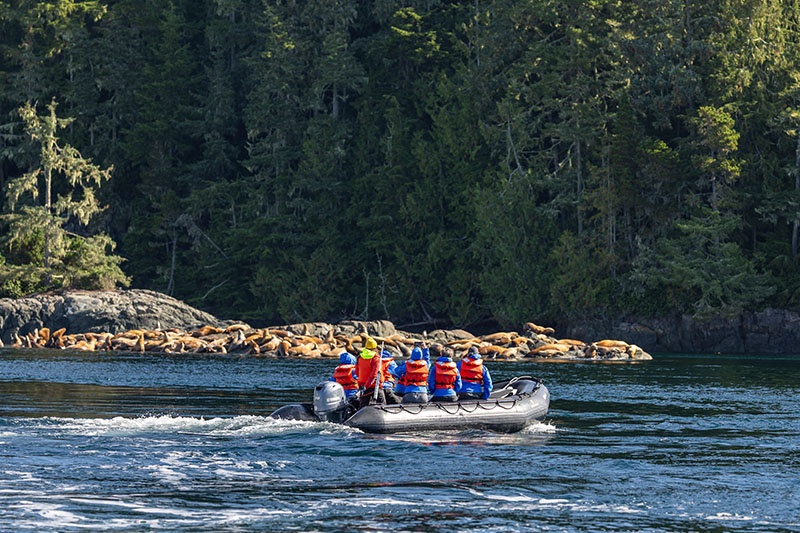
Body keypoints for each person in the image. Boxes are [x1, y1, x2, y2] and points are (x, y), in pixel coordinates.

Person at [356, 337, 384, 408]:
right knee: (381, 404)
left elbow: (357, 372)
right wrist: (367, 385)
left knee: (362, 406)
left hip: (362, 386)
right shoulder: (376, 358)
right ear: (375, 347)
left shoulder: (360, 357)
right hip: (374, 386)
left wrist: (364, 385)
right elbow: (374, 374)